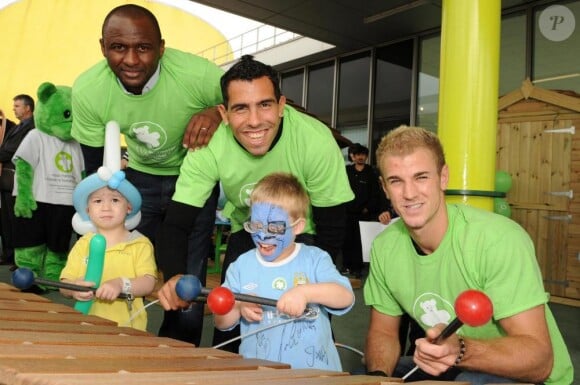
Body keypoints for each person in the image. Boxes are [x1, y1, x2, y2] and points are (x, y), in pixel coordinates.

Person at [156, 55, 354, 351]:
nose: (255, 121)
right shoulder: (210, 147)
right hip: (247, 230)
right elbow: (176, 223)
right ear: (223, 113)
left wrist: (312, 283)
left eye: (265, 104)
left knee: (306, 325)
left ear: (282, 105)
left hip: (304, 232)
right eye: (240, 108)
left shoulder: (315, 140)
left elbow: (334, 223)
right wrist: (172, 276)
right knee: (229, 324)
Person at [363, 125, 573, 384]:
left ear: (443, 177)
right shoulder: (385, 247)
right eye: (396, 181)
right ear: (384, 187)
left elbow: (539, 360)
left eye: (421, 177)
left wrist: (459, 349)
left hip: (522, 375)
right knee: (385, 371)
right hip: (453, 362)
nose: (409, 193)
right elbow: (383, 332)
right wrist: (377, 378)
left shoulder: (497, 239)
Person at [70, 4, 223, 345]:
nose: (131, 60)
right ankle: (117, 342)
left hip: (194, 179)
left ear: (162, 47)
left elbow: (248, 104)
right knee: (124, 259)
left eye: (143, 47)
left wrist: (218, 111)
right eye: (118, 47)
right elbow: (96, 167)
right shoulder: (89, 90)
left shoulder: (198, 75)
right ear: (102, 47)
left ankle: (178, 353)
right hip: (140, 179)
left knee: (188, 272)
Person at [214, 172, 354, 370]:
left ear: (298, 227)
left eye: (276, 228)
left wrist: (305, 292)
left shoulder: (315, 259)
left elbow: (345, 296)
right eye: (256, 225)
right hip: (260, 376)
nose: (263, 235)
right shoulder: (240, 267)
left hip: (315, 376)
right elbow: (221, 322)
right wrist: (237, 307)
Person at [60, 169, 157, 331]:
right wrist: (74, 288)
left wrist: (121, 284)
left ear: (128, 207)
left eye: (115, 200)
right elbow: (64, 284)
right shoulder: (83, 244)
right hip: (85, 327)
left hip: (127, 330)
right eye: (97, 201)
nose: (106, 207)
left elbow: (148, 283)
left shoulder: (140, 244)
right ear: (88, 211)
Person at [341, 143, 390, 278]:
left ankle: (358, 268)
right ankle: (346, 266)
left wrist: (369, 208)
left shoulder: (372, 172)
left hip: (365, 213)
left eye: (363, 155)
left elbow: (377, 192)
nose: (360, 157)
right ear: (352, 156)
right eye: (357, 155)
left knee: (361, 241)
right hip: (348, 212)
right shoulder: (347, 171)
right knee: (347, 240)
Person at [0, 96, 34, 267]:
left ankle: (19, 259)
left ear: (28, 108)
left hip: (19, 181)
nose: (14, 109)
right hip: (7, 180)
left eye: (17, 106)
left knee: (17, 221)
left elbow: (12, 150)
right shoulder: (17, 127)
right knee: (6, 221)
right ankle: (9, 255)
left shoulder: (32, 128)